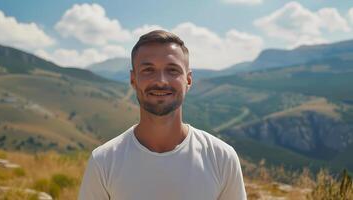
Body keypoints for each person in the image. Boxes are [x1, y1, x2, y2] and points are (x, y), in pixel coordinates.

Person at [78, 30, 247, 200]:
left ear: (188, 80)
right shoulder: (103, 161)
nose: (161, 81)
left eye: (172, 70)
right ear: (133, 80)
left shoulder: (222, 158)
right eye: (148, 70)